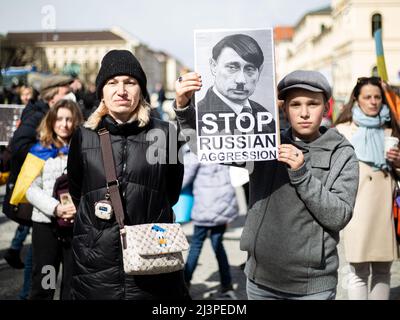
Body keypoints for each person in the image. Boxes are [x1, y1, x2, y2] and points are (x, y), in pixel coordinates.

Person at [174, 70, 359, 300]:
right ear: (283, 109)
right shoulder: (264, 143)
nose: (304, 113)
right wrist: (183, 106)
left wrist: (301, 174)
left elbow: (339, 216)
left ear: (326, 108)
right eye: (295, 104)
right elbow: (206, 146)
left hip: (312, 286)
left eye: (312, 104)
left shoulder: (342, 153)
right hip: (260, 282)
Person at [67, 49, 188, 300]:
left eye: (130, 83)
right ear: (101, 91)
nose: (121, 90)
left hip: (152, 264)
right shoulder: (83, 135)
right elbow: (78, 193)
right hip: (94, 266)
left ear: (141, 91)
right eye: (112, 83)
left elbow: (171, 193)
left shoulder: (166, 134)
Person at [335, 76, 400, 300]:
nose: (373, 101)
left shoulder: (391, 130)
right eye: (367, 97)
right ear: (357, 99)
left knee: (383, 270)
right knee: (358, 271)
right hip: (357, 209)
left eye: (377, 97)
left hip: (384, 209)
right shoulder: (343, 131)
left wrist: (399, 163)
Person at [25, 99, 83, 300]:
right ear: (51, 121)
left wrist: (78, 206)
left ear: (76, 121)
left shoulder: (83, 148)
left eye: (69, 119)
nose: (64, 124)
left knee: (72, 282)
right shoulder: (39, 150)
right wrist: (56, 208)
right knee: (45, 279)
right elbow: (30, 189)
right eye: (59, 119)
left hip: (75, 225)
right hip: (46, 225)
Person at [181, 150, 238, 299]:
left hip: (205, 206)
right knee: (218, 245)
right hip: (223, 204)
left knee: (196, 245)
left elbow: (184, 177)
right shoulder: (221, 145)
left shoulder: (196, 150)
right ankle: (227, 285)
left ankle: (185, 283)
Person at [197, 34, 275, 136]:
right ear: (213, 66)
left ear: (259, 71)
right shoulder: (197, 115)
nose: (241, 80)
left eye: (249, 69)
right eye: (232, 67)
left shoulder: (265, 116)